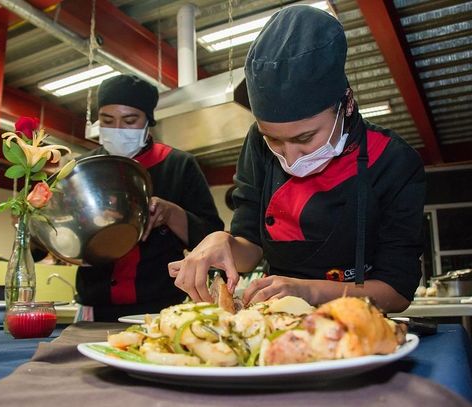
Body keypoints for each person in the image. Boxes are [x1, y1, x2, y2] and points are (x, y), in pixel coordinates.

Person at [169, 6, 425, 313]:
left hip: (356, 329)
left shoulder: (393, 160)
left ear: (347, 103)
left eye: (305, 138)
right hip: (275, 322)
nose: (289, 156)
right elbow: (250, 246)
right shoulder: (257, 144)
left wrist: (306, 290)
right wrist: (222, 242)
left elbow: (396, 292)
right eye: (273, 138)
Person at [75, 74, 224, 321]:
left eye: (130, 120)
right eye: (107, 120)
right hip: (96, 306)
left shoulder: (177, 165)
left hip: (161, 307)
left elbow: (211, 236)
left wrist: (171, 214)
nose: (118, 130)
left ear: (148, 121)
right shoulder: (84, 168)